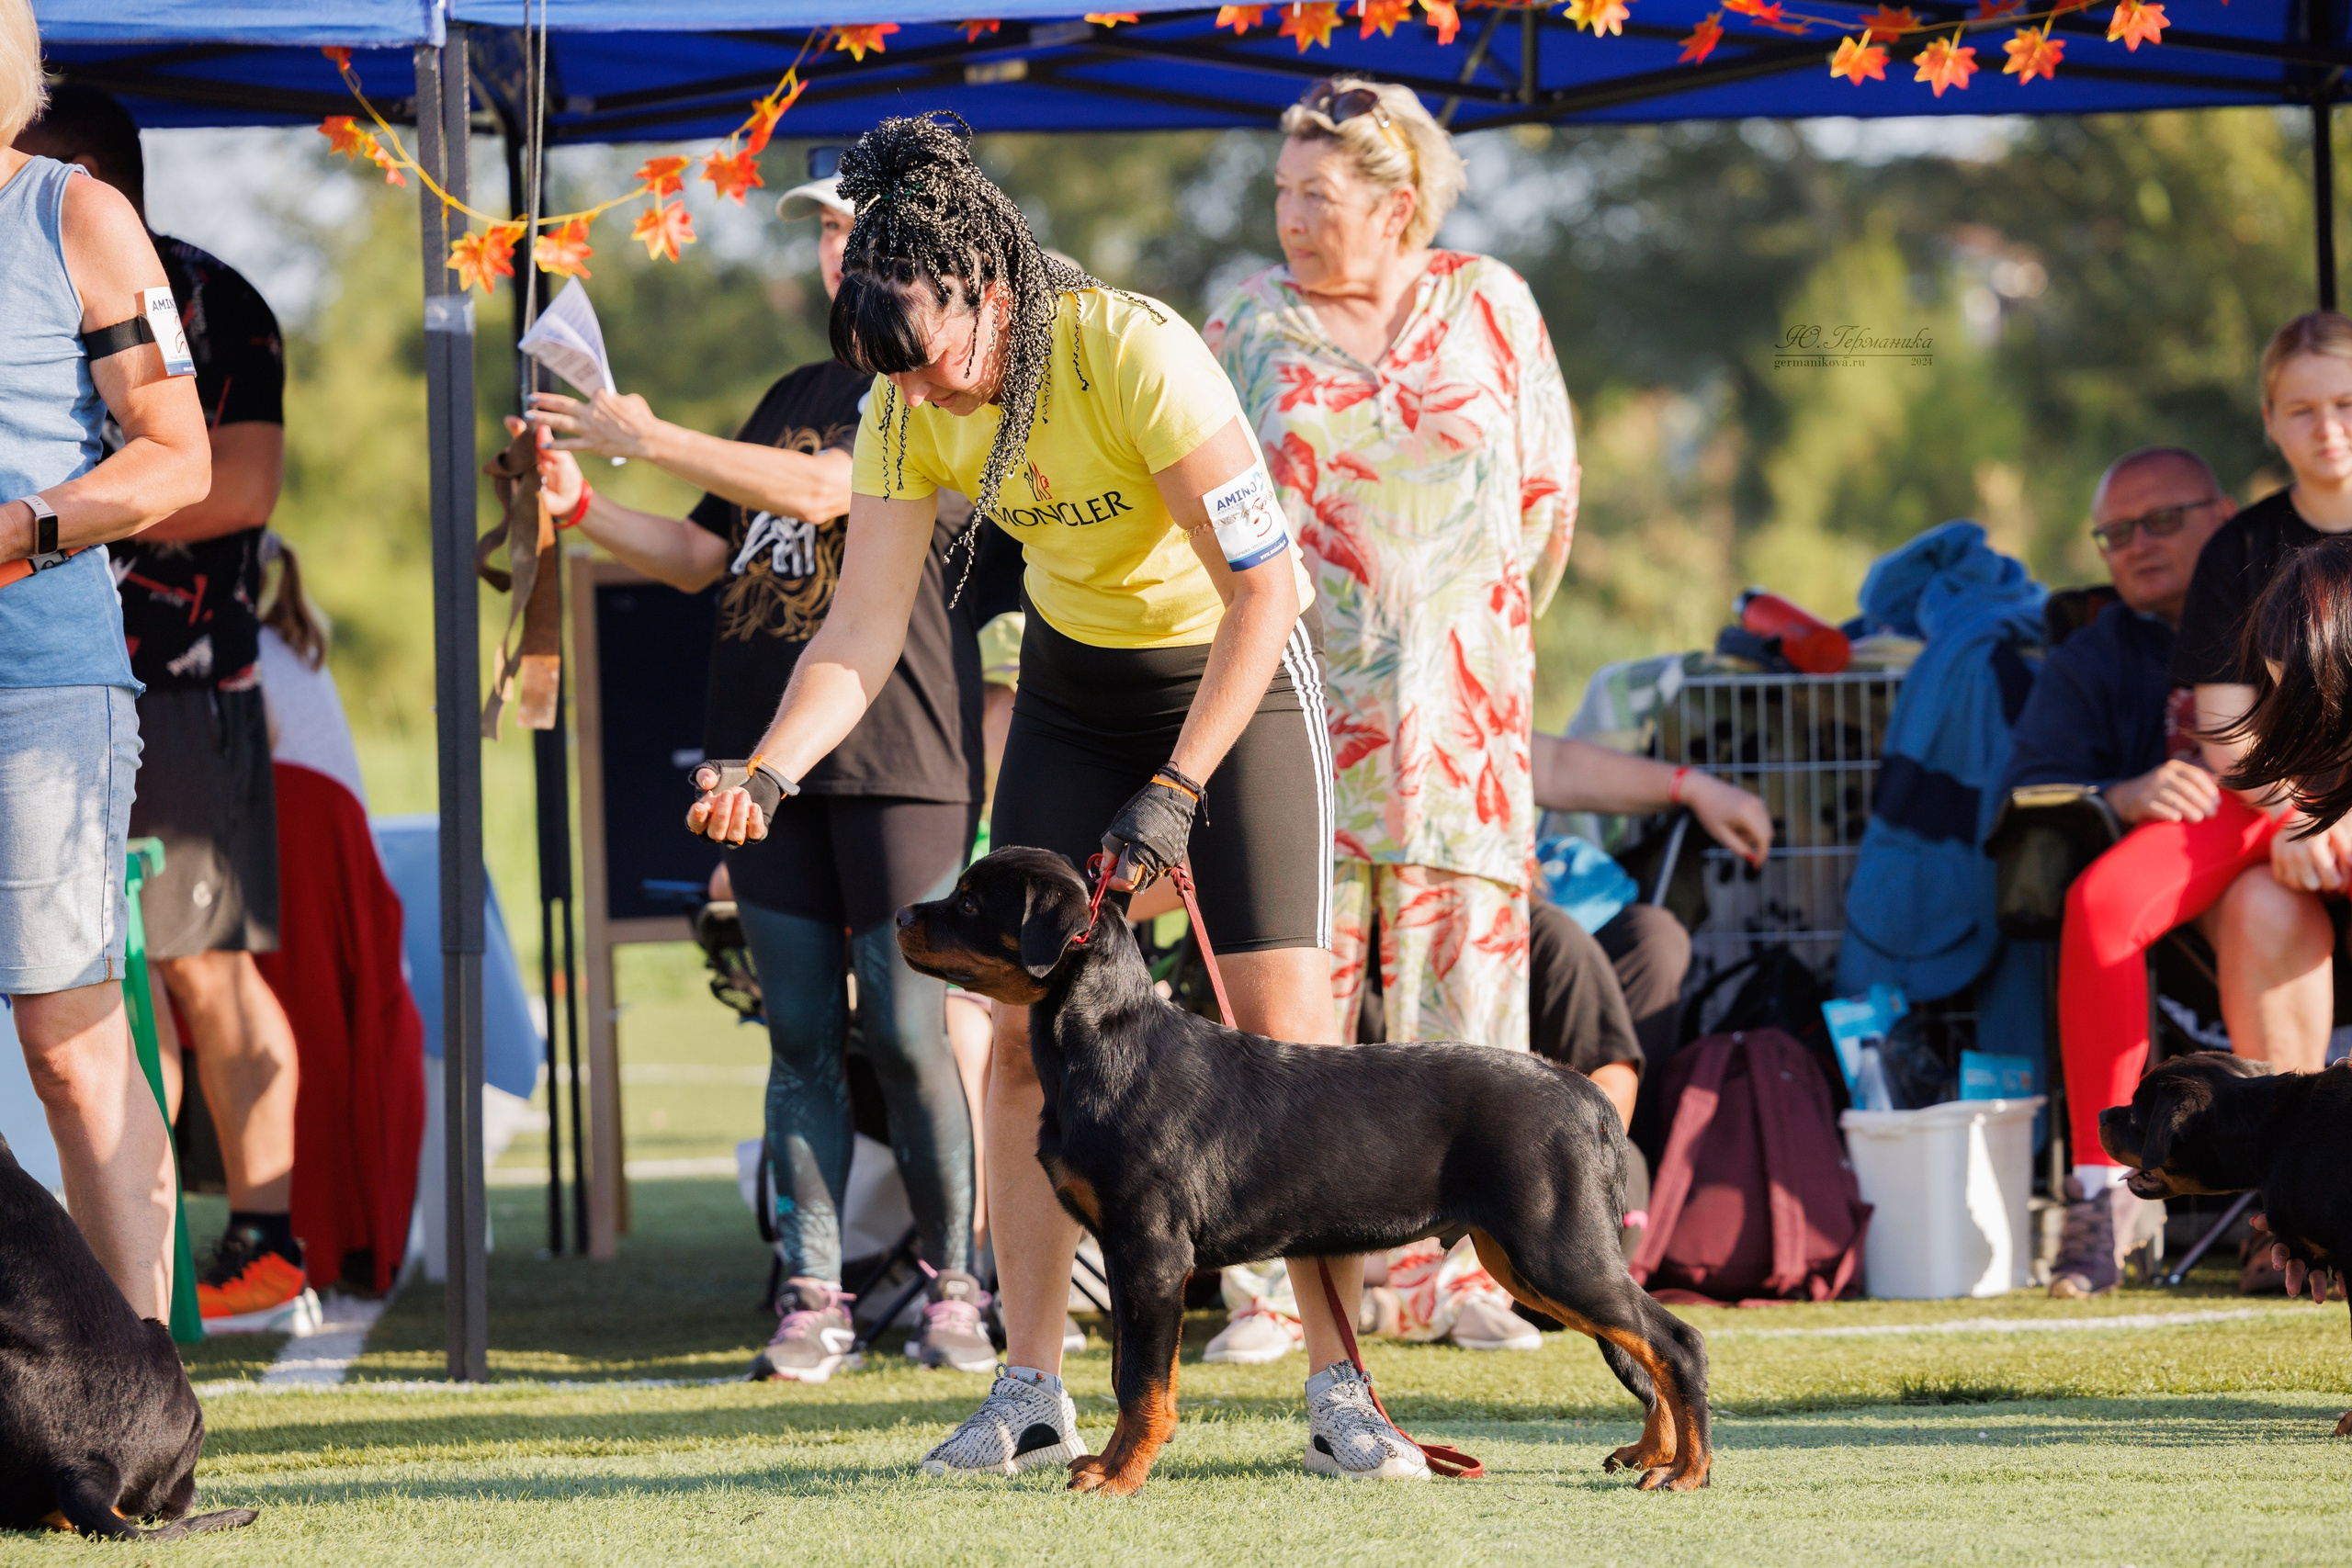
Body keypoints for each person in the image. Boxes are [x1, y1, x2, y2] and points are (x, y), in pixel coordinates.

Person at [687, 114, 1432, 1484]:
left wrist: (1177, 789)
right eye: (892, 378)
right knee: (1018, 1036)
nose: (925, 399)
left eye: (937, 359)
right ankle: (1032, 1386)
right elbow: (856, 630)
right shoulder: (904, 405)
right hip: (1080, 690)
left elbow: (1269, 591)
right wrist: (770, 769)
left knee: (1288, 1039)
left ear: (992, 289)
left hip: (1236, 673)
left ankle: (1343, 1390)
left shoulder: (1129, 346)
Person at [521, 146, 991, 1380]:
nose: (838, 249)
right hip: (761, 766)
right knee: (796, 1036)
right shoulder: (791, 382)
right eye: (828, 232)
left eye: (859, 229)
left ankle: (957, 1284)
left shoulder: (933, 390)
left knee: (905, 1028)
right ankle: (815, 1294)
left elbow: (827, 494)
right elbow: (695, 556)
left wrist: (643, 430)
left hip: (903, 758)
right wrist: (579, 505)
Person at [1198, 76, 1575, 1363]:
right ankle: (1268, 1293)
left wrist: (1458, 640)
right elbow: (1199, 513)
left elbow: (1546, 503)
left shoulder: (1494, 305)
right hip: (1292, 717)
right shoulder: (1244, 320)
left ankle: (1466, 1275)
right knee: (1287, 1035)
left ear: (1398, 199)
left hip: (1460, 735)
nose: (1293, 217)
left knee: (1463, 1018)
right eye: (1283, 194)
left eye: (1319, 194)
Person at [20, 85, 316, 1330]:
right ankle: (170, 1260)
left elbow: (233, 483)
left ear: (85, 173)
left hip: (181, 674)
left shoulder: (214, 293)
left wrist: (49, 522)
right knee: (109, 989)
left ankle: (266, 1233)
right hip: (58, 668)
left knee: (200, 968)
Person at [2044, 333, 2352, 1298]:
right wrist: (2308, 815)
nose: (2326, 429)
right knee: (2099, 903)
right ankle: (2109, 1202)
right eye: (2300, 409)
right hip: (2263, 791)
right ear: (2267, 421)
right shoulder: (2243, 546)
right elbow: (2223, 724)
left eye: (2343, 403)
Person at [0, 0, 211, 1324]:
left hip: (40, 684)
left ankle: (142, 1402)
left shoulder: (72, 212)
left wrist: (27, 528)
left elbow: (179, 456)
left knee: (73, 1054)